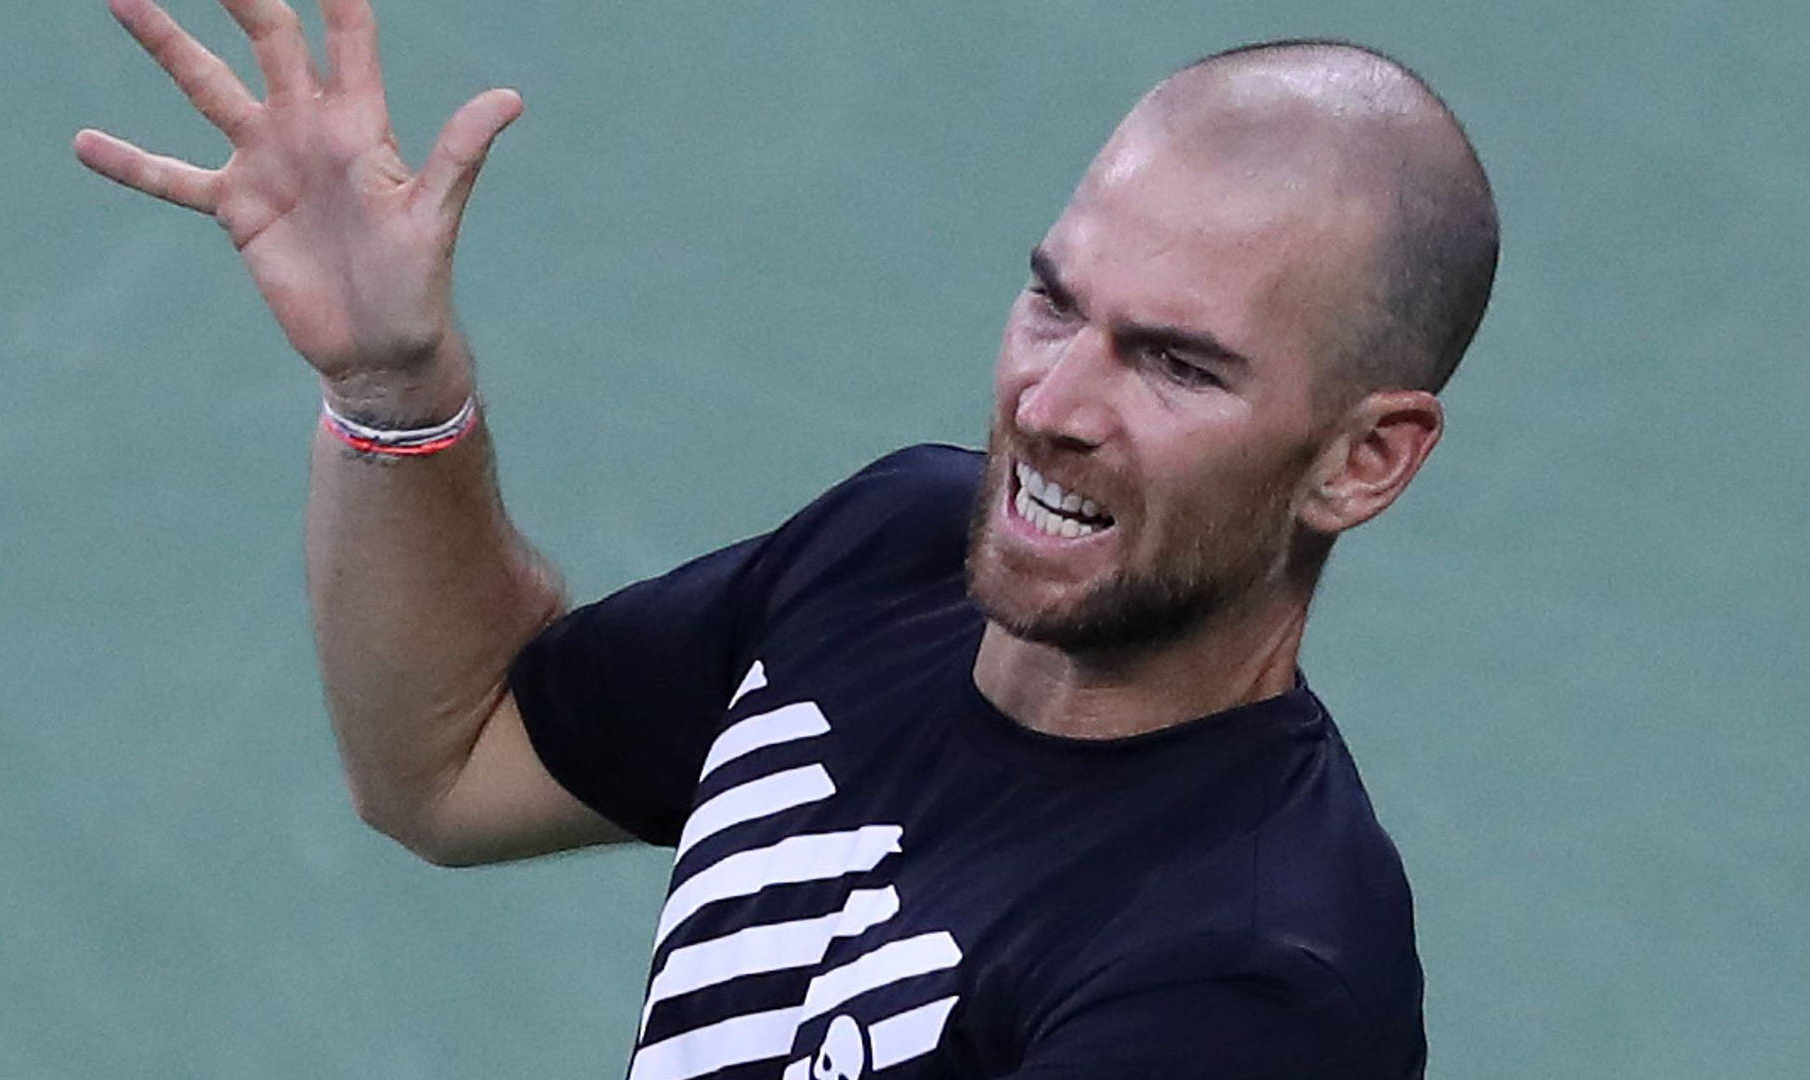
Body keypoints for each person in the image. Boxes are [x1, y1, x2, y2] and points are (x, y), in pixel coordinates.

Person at [79, 1, 1498, 1076]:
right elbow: (445, 768)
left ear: (1362, 460)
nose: (1052, 405)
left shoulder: (1245, 980)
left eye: (1179, 366)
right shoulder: (898, 554)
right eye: (1056, 303)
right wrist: (393, 391)